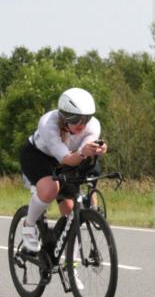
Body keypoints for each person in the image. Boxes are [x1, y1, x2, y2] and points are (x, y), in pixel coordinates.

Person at [19, 88, 108, 252]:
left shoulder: (93, 125)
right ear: (64, 116)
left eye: (86, 118)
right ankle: (29, 225)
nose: (81, 124)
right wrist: (83, 152)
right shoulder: (48, 124)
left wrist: (97, 150)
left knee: (71, 211)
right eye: (75, 119)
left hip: (70, 158)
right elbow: (67, 159)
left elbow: (84, 157)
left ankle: (69, 268)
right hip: (38, 156)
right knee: (50, 189)